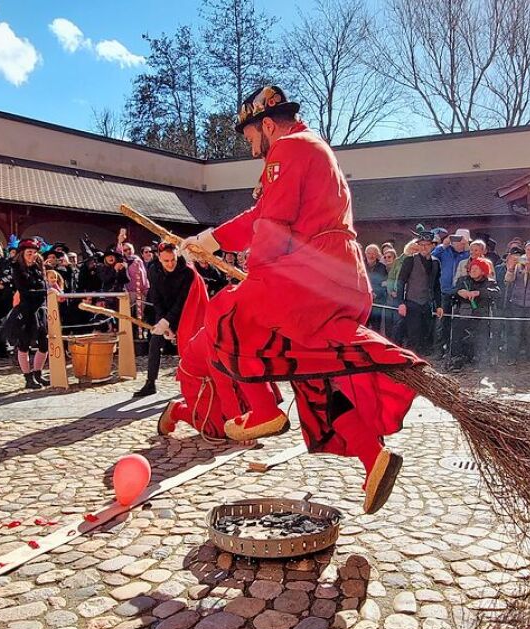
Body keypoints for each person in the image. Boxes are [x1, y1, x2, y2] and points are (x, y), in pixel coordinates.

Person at [178, 85, 421, 516]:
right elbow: (270, 219)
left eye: (251, 136)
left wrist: (230, 254)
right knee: (315, 379)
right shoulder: (313, 149)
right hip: (338, 276)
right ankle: (373, 460)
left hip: (313, 274)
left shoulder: (287, 149)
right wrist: (214, 242)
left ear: (268, 125)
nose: (251, 145)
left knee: (225, 311)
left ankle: (263, 409)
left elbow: (270, 222)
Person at [134, 242, 196, 398]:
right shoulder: (153, 270)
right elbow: (156, 297)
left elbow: (182, 301)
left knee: (188, 348)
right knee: (154, 343)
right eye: (166, 261)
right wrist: (162, 321)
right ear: (159, 259)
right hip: (163, 311)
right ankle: (150, 383)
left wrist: (168, 322)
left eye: (173, 260)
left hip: (185, 312)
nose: (170, 264)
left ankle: (191, 383)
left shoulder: (187, 273)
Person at [1, 239, 50, 389]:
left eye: (34, 253)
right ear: (22, 254)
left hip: (39, 310)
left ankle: (38, 374)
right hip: (25, 310)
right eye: (29, 253)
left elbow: (42, 287)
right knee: (24, 344)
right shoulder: (17, 269)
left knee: (44, 344)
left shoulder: (37, 268)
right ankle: (28, 378)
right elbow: (25, 292)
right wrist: (45, 292)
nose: (32, 255)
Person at [449, 256, 500, 370]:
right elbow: (452, 292)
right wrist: (459, 292)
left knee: (481, 335)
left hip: (481, 314)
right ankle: (457, 359)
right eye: (472, 269)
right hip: (464, 313)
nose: (473, 271)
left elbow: (496, 293)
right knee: (458, 333)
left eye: (476, 269)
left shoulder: (490, 282)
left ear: (483, 271)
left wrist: (479, 293)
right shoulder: (463, 280)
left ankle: (480, 359)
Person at [396, 234, 442, 356]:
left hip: (427, 304)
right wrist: (400, 303)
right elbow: (400, 282)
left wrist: (439, 305)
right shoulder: (409, 261)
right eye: (421, 245)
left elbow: (436, 285)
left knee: (426, 334)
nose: (423, 247)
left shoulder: (436, 262)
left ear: (432, 246)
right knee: (413, 335)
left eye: (427, 244)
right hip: (412, 303)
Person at [503, 241, 530, 364]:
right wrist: (511, 269)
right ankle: (512, 357)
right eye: (528, 250)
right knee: (515, 331)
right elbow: (508, 279)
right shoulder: (519, 264)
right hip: (517, 302)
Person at [432, 228, 472, 352]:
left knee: (458, 323)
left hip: (460, 292)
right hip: (444, 291)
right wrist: (444, 244)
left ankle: (454, 349)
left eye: (463, 242)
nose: (460, 244)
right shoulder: (445, 251)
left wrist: (468, 248)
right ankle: (439, 349)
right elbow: (433, 255)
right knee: (441, 322)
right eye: (457, 240)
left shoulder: (468, 254)